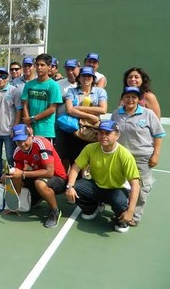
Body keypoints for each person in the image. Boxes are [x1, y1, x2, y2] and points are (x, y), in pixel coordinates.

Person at [65, 121, 140, 233]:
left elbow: (135, 184)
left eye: (108, 133)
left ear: (117, 135)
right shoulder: (90, 148)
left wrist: (130, 211)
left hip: (117, 189)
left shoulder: (125, 155)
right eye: (101, 133)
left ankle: (121, 221)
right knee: (76, 187)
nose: (103, 136)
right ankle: (92, 208)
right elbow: (76, 167)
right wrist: (69, 186)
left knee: (119, 201)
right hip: (96, 185)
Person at [111, 87, 165, 226]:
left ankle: (134, 215)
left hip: (142, 157)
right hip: (121, 156)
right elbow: (111, 133)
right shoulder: (117, 113)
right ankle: (120, 211)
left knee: (141, 188)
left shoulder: (148, 114)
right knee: (119, 185)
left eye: (134, 97)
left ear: (139, 99)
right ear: (122, 99)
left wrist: (156, 155)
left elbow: (158, 135)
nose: (130, 100)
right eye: (127, 97)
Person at [3, 124, 67, 228]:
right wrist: (16, 202)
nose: (22, 144)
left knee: (39, 183)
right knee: (9, 177)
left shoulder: (42, 144)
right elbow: (17, 175)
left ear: (31, 135)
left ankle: (55, 211)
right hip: (38, 177)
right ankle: (35, 198)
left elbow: (49, 172)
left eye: (24, 139)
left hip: (58, 179)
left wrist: (23, 173)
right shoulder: (17, 152)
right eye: (18, 141)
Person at [61, 66, 107, 170]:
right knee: (75, 161)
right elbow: (69, 110)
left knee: (92, 162)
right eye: (84, 76)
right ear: (79, 78)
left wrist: (78, 108)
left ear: (93, 78)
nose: (86, 78)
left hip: (93, 131)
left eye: (89, 76)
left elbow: (103, 109)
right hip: (75, 132)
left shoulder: (100, 92)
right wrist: (90, 115)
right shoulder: (71, 91)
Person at [21, 53, 62, 141]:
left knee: (44, 154)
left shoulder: (53, 86)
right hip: (30, 130)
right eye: (37, 65)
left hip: (45, 131)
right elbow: (25, 104)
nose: (39, 68)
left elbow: (52, 109)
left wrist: (32, 119)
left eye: (42, 65)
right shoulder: (29, 85)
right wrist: (28, 124)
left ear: (49, 67)